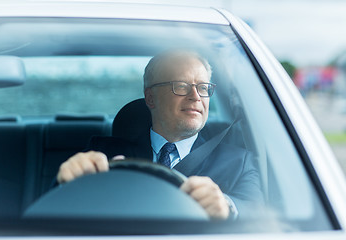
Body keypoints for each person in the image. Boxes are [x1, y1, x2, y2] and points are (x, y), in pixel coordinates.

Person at [56, 50, 263, 220]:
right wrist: (67, 183)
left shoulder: (238, 162)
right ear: (151, 98)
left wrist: (227, 207)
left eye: (203, 87)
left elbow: (260, 216)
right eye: (181, 86)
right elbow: (55, 207)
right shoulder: (102, 153)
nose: (195, 97)